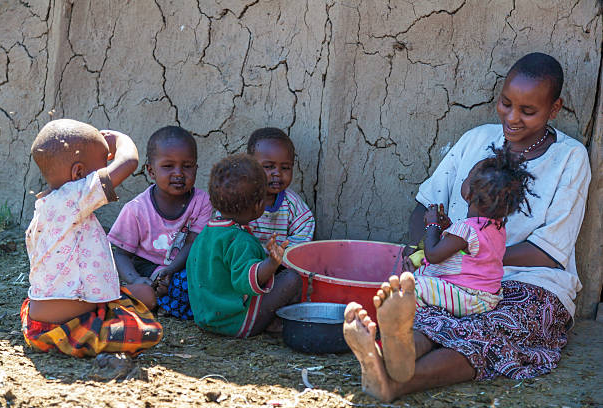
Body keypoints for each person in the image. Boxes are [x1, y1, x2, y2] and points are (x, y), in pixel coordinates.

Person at [343, 52, 591, 402]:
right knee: (433, 313)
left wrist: (475, 257)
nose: (512, 117)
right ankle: (392, 354)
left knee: (489, 329)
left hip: (530, 281)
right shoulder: (476, 140)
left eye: (528, 111)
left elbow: (549, 253)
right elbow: (427, 205)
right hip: (455, 273)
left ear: (555, 109)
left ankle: (394, 380)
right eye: (506, 104)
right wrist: (425, 253)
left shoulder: (570, 158)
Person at [21, 119, 163, 357]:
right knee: (146, 332)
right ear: (78, 173)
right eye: (103, 163)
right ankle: (77, 341)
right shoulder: (73, 197)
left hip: (40, 320)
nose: (107, 166)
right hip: (69, 323)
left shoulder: (46, 208)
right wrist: (119, 140)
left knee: (144, 295)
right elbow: (129, 163)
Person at [187, 154, 302, 337]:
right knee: (291, 278)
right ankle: (278, 323)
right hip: (236, 323)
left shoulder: (206, 233)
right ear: (258, 206)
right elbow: (246, 282)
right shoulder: (240, 241)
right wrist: (272, 263)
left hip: (206, 319)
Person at [414, 145, 535, 317]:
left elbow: (433, 255)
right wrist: (446, 227)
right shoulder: (497, 228)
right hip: (487, 299)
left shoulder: (466, 229)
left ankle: (400, 329)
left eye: (467, 177)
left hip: (466, 297)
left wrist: (431, 225)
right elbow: (466, 250)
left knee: (411, 288)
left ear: (469, 193)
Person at [108, 126, 213, 320]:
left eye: (187, 166)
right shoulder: (137, 209)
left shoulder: (202, 202)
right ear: (151, 170)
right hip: (147, 268)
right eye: (168, 166)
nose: (179, 173)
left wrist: (170, 271)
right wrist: (136, 279)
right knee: (162, 289)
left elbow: (192, 244)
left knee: (206, 280)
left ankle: (157, 301)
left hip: (182, 266)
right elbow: (120, 254)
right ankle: (140, 295)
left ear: (196, 168)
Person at [246, 128, 315, 248]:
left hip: (281, 262)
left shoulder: (291, 202)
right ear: (250, 166)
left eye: (285, 168)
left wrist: (281, 252)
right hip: (244, 261)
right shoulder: (240, 198)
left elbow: (305, 230)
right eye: (268, 166)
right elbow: (227, 230)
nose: (277, 173)